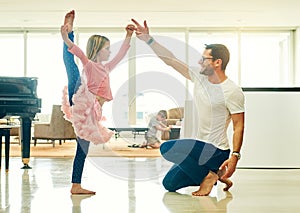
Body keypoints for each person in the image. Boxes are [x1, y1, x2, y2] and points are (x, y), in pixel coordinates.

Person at [131, 19, 245, 196]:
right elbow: (170, 60)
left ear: (217, 62)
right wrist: (148, 39)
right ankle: (215, 175)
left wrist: (235, 157)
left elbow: (239, 126)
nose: (199, 62)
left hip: (216, 150)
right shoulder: (199, 78)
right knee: (169, 183)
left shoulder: (232, 91)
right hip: (199, 148)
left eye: (204, 59)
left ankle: (209, 178)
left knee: (167, 148)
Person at [60, 10, 135, 194]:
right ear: (98, 49)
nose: (110, 51)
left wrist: (128, 35)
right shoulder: (89, 64)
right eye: (107, 48)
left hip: (91, 112)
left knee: (82, 147)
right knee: (72, 71)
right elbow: (75, 52)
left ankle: (76, 185)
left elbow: (122, 53)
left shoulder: (106, 67)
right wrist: (67, 38)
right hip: (82, 99)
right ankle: (69, 27)